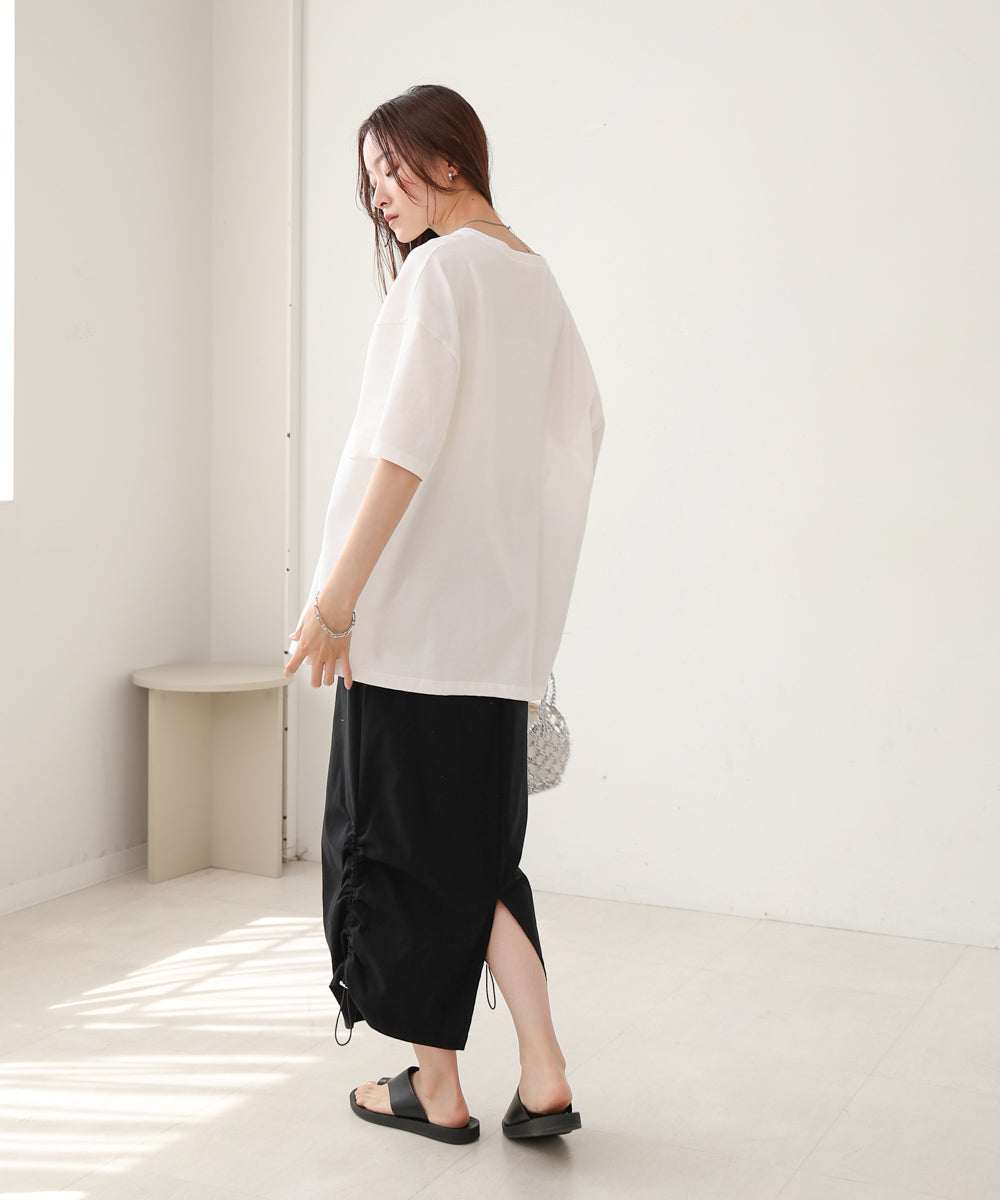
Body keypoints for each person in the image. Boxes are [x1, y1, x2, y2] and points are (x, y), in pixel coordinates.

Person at [284, 83, 604, 1145]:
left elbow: (400, 449)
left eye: (393, 166)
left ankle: (438, 1087)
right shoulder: (535, 280)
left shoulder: (440, 274)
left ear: (451, 159)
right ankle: (544, 1074)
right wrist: (527, 599)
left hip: (410, 631)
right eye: (369, 179)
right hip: (495, 636)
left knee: (386, 851)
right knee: (476, 859)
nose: (380, 194)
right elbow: (578, 440)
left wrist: (336, 602)